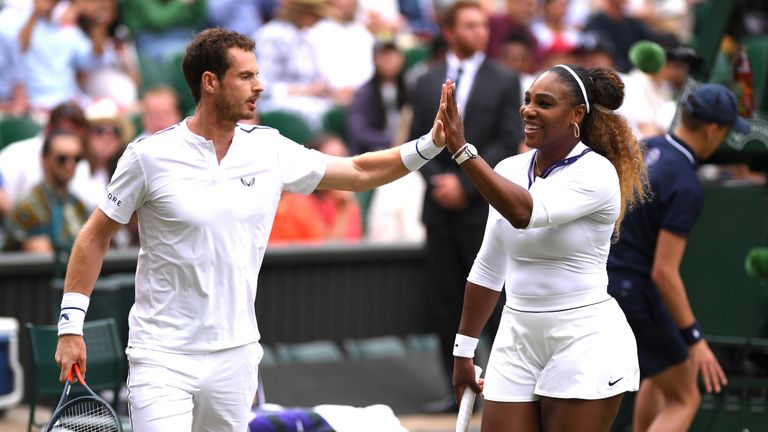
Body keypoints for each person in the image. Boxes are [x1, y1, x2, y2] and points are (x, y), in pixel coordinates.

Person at [53, 27, 449, 431]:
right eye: (245, 76)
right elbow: (94, 235)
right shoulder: (148, 156)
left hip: (236, 356)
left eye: (257, 75)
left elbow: (360, 172)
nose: (259, 86)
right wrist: (70, 326)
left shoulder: (269, 148)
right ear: (210, 82)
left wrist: (431, 144)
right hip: (161, 355)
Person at [439, 63, 649, 430]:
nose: (528, 110)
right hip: (515, 336)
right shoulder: (507, 169)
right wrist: (463, 352)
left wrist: (462, 151)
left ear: (576, 115)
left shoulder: (596, 173)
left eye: (544, 103)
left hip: (584, 340)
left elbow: (523, 212)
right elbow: (489, 266)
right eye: (527, 100)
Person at [407, 0, 522, 413]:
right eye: (470, 26)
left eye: (483, 26)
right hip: (439, 209)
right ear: (450, 31)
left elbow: (507, 139)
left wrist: (464, 182)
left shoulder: (507, 79)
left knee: (492, 302)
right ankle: (454, 392)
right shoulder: (423, 80)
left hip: (481, 208)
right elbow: (419, 140)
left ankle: (504, 388)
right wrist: (438, 181)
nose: (480, 33)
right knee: (444, 303)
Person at [606, 83, 742, 432]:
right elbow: (663, 273)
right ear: (713, 129)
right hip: (634, 291)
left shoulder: (648, 147)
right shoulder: (686, 184)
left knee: (658, 374)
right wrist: (695, 338)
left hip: (608, 283)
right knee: (685, 396)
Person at [4, 130, 88, 253]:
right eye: (62, 158)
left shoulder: (78, 205)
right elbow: (44, 263)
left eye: (77, 158)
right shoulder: (29, 206)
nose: (70, 165)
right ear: (44, 159)